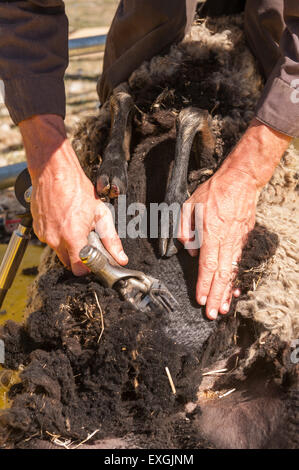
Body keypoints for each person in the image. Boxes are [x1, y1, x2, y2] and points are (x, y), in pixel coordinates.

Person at [0, 0, 297, 320]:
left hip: (274, 68)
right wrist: (50, 166)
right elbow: (23, 7)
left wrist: (246, 174)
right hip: (147, 62)